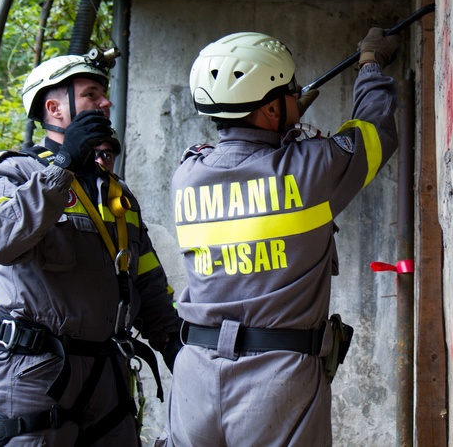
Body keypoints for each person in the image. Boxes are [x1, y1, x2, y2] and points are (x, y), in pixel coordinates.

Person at [161, 28, 400, 446]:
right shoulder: (313, 168)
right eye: (290, 92)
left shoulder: (186, 175)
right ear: (271, 108)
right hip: (276, 380)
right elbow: (374, 132)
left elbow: (246, 161)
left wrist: (281, 122)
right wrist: (371, 66)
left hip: (194, 377)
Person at [0, 55, 182, 447]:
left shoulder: (116, 193)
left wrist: (172, 343)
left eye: (104, 94)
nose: (105, 103)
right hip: (34, 372)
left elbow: (144, 278)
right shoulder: (13, 171)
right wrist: (62, 166)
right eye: (90, 94)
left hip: (107, 375)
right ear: (53, 108)